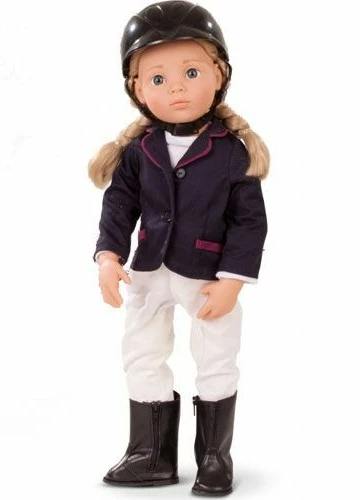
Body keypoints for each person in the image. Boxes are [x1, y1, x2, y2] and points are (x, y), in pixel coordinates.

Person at [88, 1, 269, 495]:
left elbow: (250, 222)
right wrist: (108, 256)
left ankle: (214, 456)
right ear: (137, 88)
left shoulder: (231, 152)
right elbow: (118, 205)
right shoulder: (138, 151)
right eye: (158, 78)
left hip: (207, 274)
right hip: (149, 271)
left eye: (191, 72)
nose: (177, 88)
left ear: (219, 75)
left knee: (216, 355)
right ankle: (149, 453)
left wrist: (233, 280)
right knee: (142, 351)